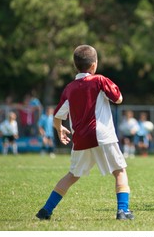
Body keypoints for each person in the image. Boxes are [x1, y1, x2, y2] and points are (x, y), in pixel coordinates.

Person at [36, 45, 134, 221]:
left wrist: (59, 129)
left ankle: (46, 210)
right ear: (94, 65)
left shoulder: (69, 89)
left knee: (72, 175)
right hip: (103, 136)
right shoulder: (99, 80)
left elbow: (57, 116)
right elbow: (119, 99)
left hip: (81, 139)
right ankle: (123, 211)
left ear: (75, 66)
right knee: (119, 172)